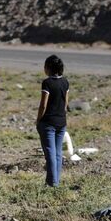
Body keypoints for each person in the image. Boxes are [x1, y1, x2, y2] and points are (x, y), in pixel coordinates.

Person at [36, 55, 69, 187]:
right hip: (61, 121)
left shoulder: (47, 83)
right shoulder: (65, 82)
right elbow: (66, 103)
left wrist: (38, 120)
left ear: (48, 68)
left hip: (48, 122)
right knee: (58, 152)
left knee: (50, 152)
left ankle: (51, 183)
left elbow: (43, 105)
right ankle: (56, 181)